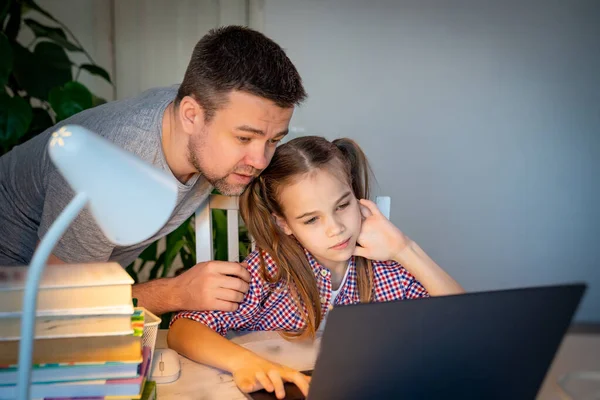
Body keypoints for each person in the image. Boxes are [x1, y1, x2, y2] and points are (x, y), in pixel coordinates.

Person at [0, 26, 307, 317]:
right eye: (244, 138)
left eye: (274, 140)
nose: (259, 160)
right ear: (191, 116)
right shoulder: (114, 167)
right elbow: (55, 302)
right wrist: (176, 292)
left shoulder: (200, 114)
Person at [167, 136, 464, 399]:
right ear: (285, 224)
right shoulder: (270, 271)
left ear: (355, 194)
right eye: (311, 219)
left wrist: (404, 249)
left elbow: (460, 322)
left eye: (342, 205)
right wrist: (244, 362)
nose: (335, 229)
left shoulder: (384, 268)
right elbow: (182, 330)